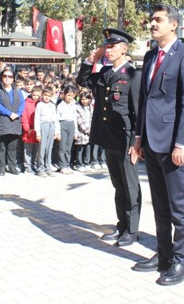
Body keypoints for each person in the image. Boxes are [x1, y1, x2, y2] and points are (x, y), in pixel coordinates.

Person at [132, 4, 184, 286]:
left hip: (172, 143)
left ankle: (182, 261)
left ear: (174, 25)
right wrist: (138, 139)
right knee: (159, 204)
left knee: (177, 206)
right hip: (150, 141)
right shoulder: (151, 55)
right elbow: (144, 100)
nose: (152, 23)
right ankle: (163, 255)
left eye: (158, 20)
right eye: (151, 19)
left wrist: (182, 143)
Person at [77, 28, 142, 247]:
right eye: (107, 46)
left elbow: (138, 112)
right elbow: (83, 80)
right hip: (109, 139)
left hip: (125, 141)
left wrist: (136, 143)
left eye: (113, 46)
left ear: (124, 49)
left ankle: (132, 230)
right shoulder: (106, 73)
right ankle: (121, 225)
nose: (108, 49)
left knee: (130, 186)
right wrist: (89, 60)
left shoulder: (133, 76)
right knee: (118, 185)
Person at [0, 68, 25, 176]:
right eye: (5, 75)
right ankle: (1, 167)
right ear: (1, 77)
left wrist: (18, 114)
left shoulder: (17, 91)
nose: (7, 78)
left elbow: (22, 104)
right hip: (3, 121)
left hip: (15, 121)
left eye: (10, 76)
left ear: (13, 79)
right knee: (1, 146)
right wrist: (9, 113)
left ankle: (12, 166)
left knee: (12, 147)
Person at [34, 86, 59, 176]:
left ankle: (47, 166)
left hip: (51, 126)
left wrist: (57, 131)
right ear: (42, 95)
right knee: (42, 148)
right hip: (43, 126)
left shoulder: (52, 105)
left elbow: (55, 119)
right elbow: (36, 119)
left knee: (49, 148)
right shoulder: (39, 105)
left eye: (49, 95)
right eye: (45, 95)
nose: (47, 97)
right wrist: (38, 133)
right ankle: (40, 168)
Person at [56, 85, 78, 174]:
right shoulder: (60, 105)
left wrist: (76, 131)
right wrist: (57, 132)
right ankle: (62, 166)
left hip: (71, 124)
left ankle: (67, 164)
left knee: (69, 147)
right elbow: (57, 119)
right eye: (68, 95)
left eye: (72, 95)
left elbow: (75, 118)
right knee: (62, 147)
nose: (70, 97)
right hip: (63, 124)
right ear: (64, 95)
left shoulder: (73, 105)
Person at [21, 85, 42, 174]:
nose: (35, 97)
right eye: (34, 95)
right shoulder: (26, 103)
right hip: (29, 131)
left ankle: (34, 165)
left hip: (38, 131)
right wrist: (27, 128)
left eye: (38, 95)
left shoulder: (41, 104)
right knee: (27, 150)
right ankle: (27, 167)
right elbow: (24, 116)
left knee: (36, 151)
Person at [73, 89, 93, 172]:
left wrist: (92, 129)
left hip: (90, 131)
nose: (84, 101)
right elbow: (79, 120)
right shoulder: (77, 107)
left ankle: (86, 162)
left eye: (86, 99)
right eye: (83, 99)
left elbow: (92, 118)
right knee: (80, 148)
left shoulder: (90, 107)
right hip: (81, 131)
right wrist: (87, 130)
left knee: (88, 148)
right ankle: (79, 163)